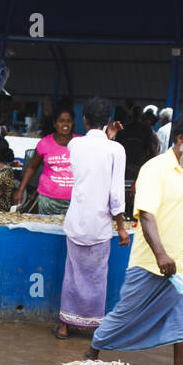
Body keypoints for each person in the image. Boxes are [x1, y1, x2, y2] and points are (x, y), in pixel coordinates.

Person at [86, 108, 183, 365]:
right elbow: (146, 214)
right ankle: (91, 354)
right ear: (181, 138)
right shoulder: (155, 169)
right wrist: (161, 255)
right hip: (152, 263)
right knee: (124, 315)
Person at [57, 98, 129, 339]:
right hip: (100, 225)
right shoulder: (116, 149)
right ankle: (94, 325)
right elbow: (116, 193)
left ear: (84, 119)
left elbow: (92, 154)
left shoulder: (75, 145)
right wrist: (121, 227)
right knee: (97, 276)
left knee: (72, 273)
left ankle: (64, 324)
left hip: (76, 221)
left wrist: (107, 135)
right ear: (108, 120)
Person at [14, 105, 77, 215]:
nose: (65, 124)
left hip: (75, 201)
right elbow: (32, 167)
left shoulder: (81, 143)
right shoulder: (44, 143)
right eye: (61, 121)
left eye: (69, 121)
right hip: (48, 201)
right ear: (54, 124)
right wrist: (20, 190)